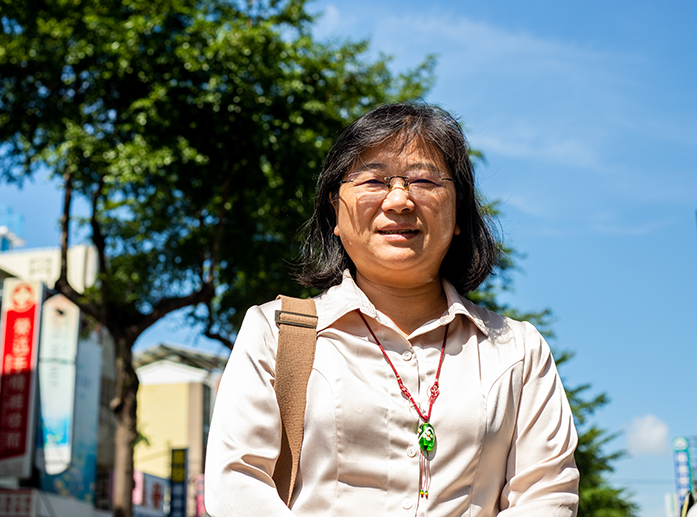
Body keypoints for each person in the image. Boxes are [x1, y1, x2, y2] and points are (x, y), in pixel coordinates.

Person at [204, 103, 579, 516]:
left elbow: (547, 495)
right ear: (335, 209)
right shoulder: (273, 333)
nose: (399, 200)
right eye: (373, 180)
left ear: (458, 213)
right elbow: (237, 485)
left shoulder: (517, 351)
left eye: (424, 180)